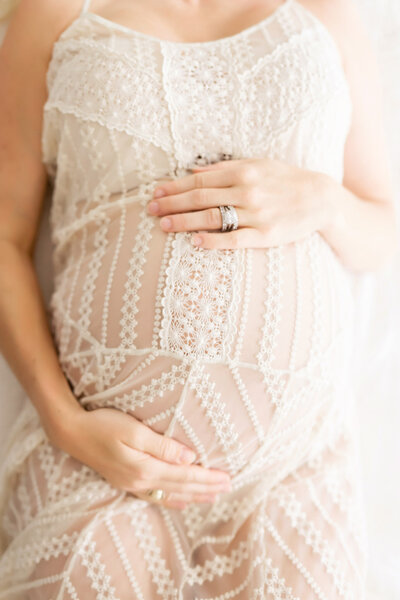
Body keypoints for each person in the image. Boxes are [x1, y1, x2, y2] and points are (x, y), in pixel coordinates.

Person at [0, 0, 397, 597]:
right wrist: (66, 425)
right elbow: (4, 235)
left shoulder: (324, 13)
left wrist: (323, 201)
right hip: (96, 460)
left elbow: (385, 228)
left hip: (290, 469)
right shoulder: (53, 10)